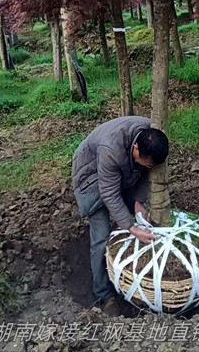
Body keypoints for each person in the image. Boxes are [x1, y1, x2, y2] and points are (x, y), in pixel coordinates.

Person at [72, 115, 169, 316]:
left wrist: (139, 202)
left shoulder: (151, 134)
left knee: (132, 218)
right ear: (135, 149)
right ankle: (103, 294)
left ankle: (130, 276)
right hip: (90, 178)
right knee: (101, 236)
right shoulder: (111, 149)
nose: (149, 168)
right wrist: (131, 227)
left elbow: (146, 170)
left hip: (121, 172)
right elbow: (108, 193)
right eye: (147, 163)